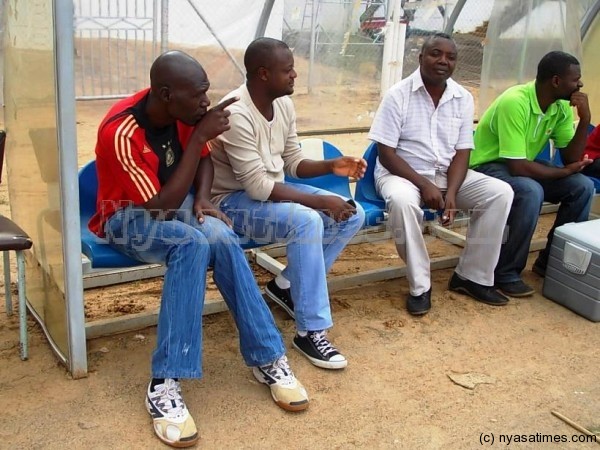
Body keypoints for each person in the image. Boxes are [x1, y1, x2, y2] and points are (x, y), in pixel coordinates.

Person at [88, 50, 308, 449]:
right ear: (166, 94)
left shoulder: (186, 112)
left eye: (207, 92)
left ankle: (267, 356)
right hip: (125, 218)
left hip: (177, 205)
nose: (207, 102)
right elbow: (160, 206)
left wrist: (204, 198)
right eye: (200, 95)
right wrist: (202, 136)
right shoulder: (121, 130)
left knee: (222, 237)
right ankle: (165, 383)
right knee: (189, 243)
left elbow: (202, 163)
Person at [210, 37, 366, 370]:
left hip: (267, 195)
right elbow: (257, 186)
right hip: (229, 204)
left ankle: (286, 286)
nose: (295, 75)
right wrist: (320, 200)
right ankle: (311, 331)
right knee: (308, 221)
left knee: (353, 214)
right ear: (263, 74)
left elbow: (292, 161)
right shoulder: (236, 113)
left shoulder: (283, 103)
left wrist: (330, 167)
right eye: (288, 70)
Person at [368, 32, 514, 315]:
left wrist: (453, 193)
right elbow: (386, 153)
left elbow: (462, 152)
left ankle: (472, 277)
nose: (443, 61)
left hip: (447, 175)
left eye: (451, 56)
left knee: (500, 192)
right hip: (401, 174)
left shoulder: (462, 98)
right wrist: (424, 184)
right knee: (402, 202)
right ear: (421, 57)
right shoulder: (397, 95)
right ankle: (420, 286)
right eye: (436, 54)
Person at [470, 51, 595, 298]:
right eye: (576, 79)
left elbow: (571, 158)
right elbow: (516, 166)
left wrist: (585, 120)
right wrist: (562, 172)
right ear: (557, 81)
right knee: (530, 191)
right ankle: (505, 272)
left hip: (522, 164)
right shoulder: (515, 101)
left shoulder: (560, 107)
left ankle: (551, 262)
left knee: (582, 186)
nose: (580, 85)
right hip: (488, 165)